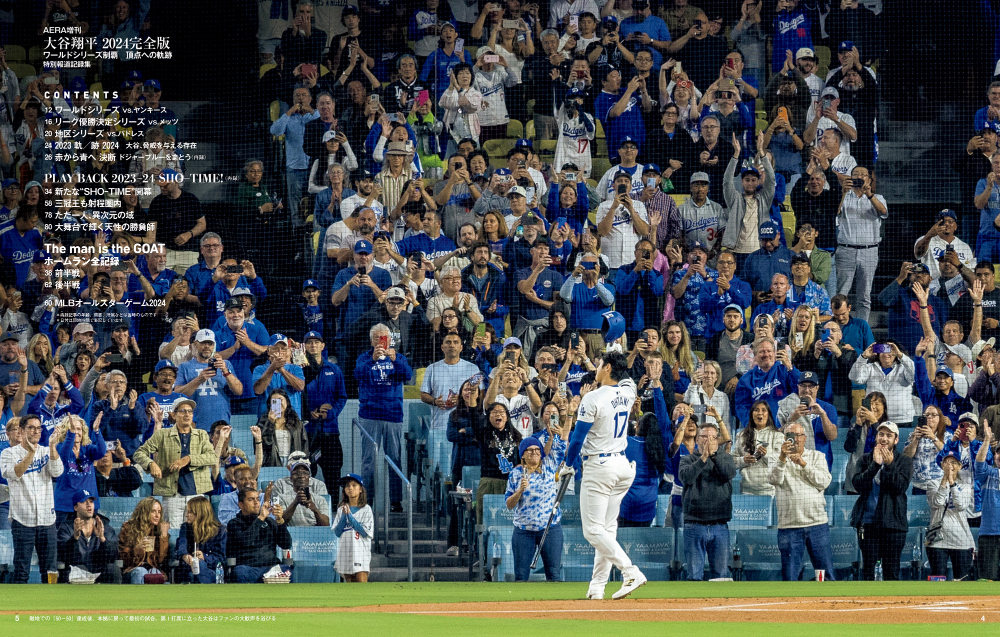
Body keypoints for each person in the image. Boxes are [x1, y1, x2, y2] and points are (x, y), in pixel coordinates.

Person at [561, 351, 645, 600]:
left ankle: (630, 571)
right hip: (622, 467)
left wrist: (568, 465)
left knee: (592, 531)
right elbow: (626, 376)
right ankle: (597, 587)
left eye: (599, 364)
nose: (595, 368)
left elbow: (577, 438)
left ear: (607, 368)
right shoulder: (629, 391)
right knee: (606, 530)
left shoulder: (592, 398)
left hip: (600, 468)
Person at [132, 397, 216, 529]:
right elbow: (139, 453)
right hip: (172, 496)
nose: (187, 414)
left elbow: (212, 457)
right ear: (173, 415)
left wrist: (188, 459)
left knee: (198, 532)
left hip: (196, 494)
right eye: (183, 411)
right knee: (172, 534)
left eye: (190, 411)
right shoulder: (162, 435)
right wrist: (151, 464)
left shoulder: (202, 435)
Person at [355, 324, 413, 512]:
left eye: (385, 338)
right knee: (368, 461)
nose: (382, 341)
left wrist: (395, 360)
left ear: (390, 339)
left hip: (393, 416)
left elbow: (407, 375)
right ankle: (367, 501)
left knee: (394, 459)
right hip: (370, 416)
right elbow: (357, 375)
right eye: (378, 338)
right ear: (372, 341)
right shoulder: (364, 358)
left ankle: (395, 502)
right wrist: (372, 360)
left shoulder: (398, 357)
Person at [768, 421, 836, 581]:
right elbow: (773, 479)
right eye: (791, 436)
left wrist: (803, 464)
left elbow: (824, 481)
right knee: (790, 578)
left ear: (805, 438)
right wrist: (782, 458)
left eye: (798, 435)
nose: (795, 439)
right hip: (789, 526)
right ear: (785, 438)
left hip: (817, 524)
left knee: (825, 576)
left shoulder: (817, 456)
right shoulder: (775, 458)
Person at [0, 415, 63, 583]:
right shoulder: (8, 453)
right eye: (31, 428)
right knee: (21, 570)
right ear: (21, 430)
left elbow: (57, 472)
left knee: (50, 570)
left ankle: (51, 606)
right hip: (22, 520)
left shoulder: (46, 451)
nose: (36, 431)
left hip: (47, 520)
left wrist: (52, 446)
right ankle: (20, 608)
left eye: (38, 428)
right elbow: (16, 473)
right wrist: (30, 453)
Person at [848, 422, 912, 580]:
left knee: (891, 572)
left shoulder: (904, 461)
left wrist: (889, 465)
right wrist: (875, 466)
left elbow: (899, 487)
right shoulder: (865, 459)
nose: (884, 438)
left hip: (893, 526)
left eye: (889, 435)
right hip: (867, 525)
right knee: (868, 571)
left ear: (896, 440)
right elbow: (858, 485)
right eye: (881, 434)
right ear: (876, 437)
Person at [505, 430, 568, 582]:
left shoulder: (550, 466)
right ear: (523, 454)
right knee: (521, 576)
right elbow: (509, 505)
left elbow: (562, 445)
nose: (534, 452)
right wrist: (519, 490)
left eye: (537, 450)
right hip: (523, 530)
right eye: (530, 450)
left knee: (554, 575)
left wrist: (569, 418)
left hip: (550, 528)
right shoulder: (515, 474)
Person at [679, 420, 735, 581]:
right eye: (704, 437)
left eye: (712, 437)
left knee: (720, 575)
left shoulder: (725, 458)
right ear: (697, 440)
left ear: (717, 440)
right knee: (694, 575)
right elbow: (686, 477)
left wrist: (714, 456)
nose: (708, 441)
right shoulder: (687, 459)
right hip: (695, 525)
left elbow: (728, 474)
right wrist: (703, 458)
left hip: (720, 525)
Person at [835, 166, 887, 322]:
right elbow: (835, 213)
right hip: (845, 250)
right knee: (841, 294)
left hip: (869, 251)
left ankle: (863, 328)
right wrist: (843, 193)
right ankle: (838, 327)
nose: (860, 177)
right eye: (856, 174)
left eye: (864, 175)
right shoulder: (842, 196)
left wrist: (869, 194)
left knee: (864, 295)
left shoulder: (878, 197)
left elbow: (883, 212)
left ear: (870, 180)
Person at [721, 133, 774, 270]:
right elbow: (727, 181)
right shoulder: (735, 199)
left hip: (758, 251)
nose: (750, 183)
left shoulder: (764, 199)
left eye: (753, 180)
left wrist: (761, 152)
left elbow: (771, 180)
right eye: (747, 180)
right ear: (742, 181)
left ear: (758, 181)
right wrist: (736, 155)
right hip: (736, 252)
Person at [175, 329, 244, 427]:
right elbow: (178, 395)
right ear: (195, 344)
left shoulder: (226, 364)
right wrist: (199, 380)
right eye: (203, 343)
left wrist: (226, 371)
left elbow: (239, 391)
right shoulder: (184, 367)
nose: (207, 346)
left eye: (210, 343)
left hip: (221, 423)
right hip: (194, 424)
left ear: (214, 346)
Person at [926, 449, 975, 581]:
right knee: (937, 579)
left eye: (953, 462)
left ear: (960, 466)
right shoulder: (932, 483)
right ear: (942, 465)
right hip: (937, 541)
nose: (950, 465)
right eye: (946, 462)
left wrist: (952, 483)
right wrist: (944, 480)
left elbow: (961, 506)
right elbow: (937, 502)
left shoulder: (966, 486)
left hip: (961, 541)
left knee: (962, 580)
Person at [145, 169, 206, 274]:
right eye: (160, 185)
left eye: (165, 185)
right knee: (160, 280)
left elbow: (202, 224)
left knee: (189, 283)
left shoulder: (191, 199)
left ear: (175, 182)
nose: (162, 187)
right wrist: (152, 251)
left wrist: (188, 234)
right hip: (165, 252)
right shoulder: (157, 202)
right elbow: (151, 231)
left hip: (188, 251)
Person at [226, 486, 292, 583]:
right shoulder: (234, 523)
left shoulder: (269, 521)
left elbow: (286, 544)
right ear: (241, 505)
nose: (256, 502)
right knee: (239, 572)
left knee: (288, 570)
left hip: (271, 568)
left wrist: (280, 521)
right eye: (251, 499)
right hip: (248, 569)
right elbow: (246, 541)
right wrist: (260, 518)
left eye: (257, 499)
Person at [56, 489, 120, 584]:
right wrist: (75, 538)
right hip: (76, 573)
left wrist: (102, 539)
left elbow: (114, 555)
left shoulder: (105, 527)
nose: (89, 505)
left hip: (100, 572)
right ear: (76, 507)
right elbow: (64, 556)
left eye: (91, 501)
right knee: (75, 569)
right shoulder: (66, 528)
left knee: (113, 569)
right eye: (84, 502)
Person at [775, 371, 837, 469]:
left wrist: (822, 415)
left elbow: (832, 436)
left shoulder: (828, 408)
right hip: (795, 462)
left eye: (811, 386)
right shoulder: (786, 406)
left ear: (817, 387)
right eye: (803, 385)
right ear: (798, 387)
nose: (807, 390)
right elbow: (776, 436)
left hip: (820, 463)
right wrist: (792, 419)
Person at [734, 338, 799, 429]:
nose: (766, 354)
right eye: (762, 352)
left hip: (786, 425)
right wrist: (751, 426)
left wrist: (789, 366)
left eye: (769, 351)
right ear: (755, 356)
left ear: (774, 353)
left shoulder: (785, 370)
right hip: (760, 429)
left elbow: (800, 389)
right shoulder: (745, 380)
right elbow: (741, 407)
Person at [733, 400, 783, 496]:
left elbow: (781, 462)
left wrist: (766, 455)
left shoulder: (777, 436)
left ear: (768, 414)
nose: (760, 413)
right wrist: (743, 460)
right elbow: (732, 461)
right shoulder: (741, 435)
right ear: (752, 414)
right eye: (756, 410)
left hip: (770, 491)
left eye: (763, 410)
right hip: (747, 490)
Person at [118, 496, 170, 584]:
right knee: (140, 572)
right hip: (132, 570)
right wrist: (137, 549)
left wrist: (163, 537)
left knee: (155, 573)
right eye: (153, 511)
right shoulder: (128, 528)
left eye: (159, 512)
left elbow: (161, 560)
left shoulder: (159, 531)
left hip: (151, 569)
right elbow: (124, 559)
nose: (157, 515)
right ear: (144, 512)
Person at [332, 474, 374, 583]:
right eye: (347, 486)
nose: (350, 488)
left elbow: (365, 532)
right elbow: (337, 532)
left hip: (361, 552)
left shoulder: (366, 509)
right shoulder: (341, 509)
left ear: (361, 489)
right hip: (345, 551)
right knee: (349, 585)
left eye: (354, 485)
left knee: (361, 582)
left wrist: (349, 516)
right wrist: (344, 516)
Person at [176, 495, 227, 584]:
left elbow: (220, 558)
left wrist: (204, 557)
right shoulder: (185, 527)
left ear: (199, 513)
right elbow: (181, 545)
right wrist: (185, 556)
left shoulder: (220, 531)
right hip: (188, 569)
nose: (186, 515)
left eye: (189, 512)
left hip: (211, 570)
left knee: (200, 564)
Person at [273, 453, 330, 527]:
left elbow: (326, 525)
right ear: (291, 478)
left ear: (309, 478)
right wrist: (295, 502)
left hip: (313, 535)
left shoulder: (320, 499)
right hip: (290, 534)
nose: (301, 475)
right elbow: (280, 522)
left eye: (304, 473)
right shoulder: (282, 498)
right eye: (296, 473)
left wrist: (315, 509)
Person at [975, 425, 1000, 581]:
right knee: (986, 579)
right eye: (998, 452)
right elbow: (979, 462)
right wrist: (986, 440)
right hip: (989, 532)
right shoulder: (988, 473)